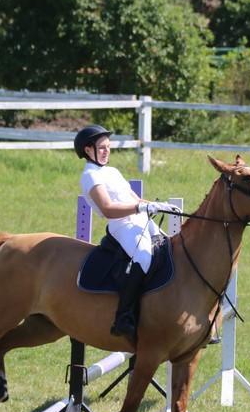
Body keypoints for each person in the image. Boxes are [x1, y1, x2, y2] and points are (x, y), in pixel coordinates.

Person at [75, 125, 179, 339]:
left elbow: (136, 200)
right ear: (88, 150)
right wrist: (140, 208)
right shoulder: (90, 176)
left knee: (171, 249)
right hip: (121, 225)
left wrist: (159, 206)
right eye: (102, 148)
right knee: (143, 257)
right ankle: (124, 316)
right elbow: (107, 209)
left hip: (140, 219)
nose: (106, 151)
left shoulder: (112, 172)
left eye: (108, 147)